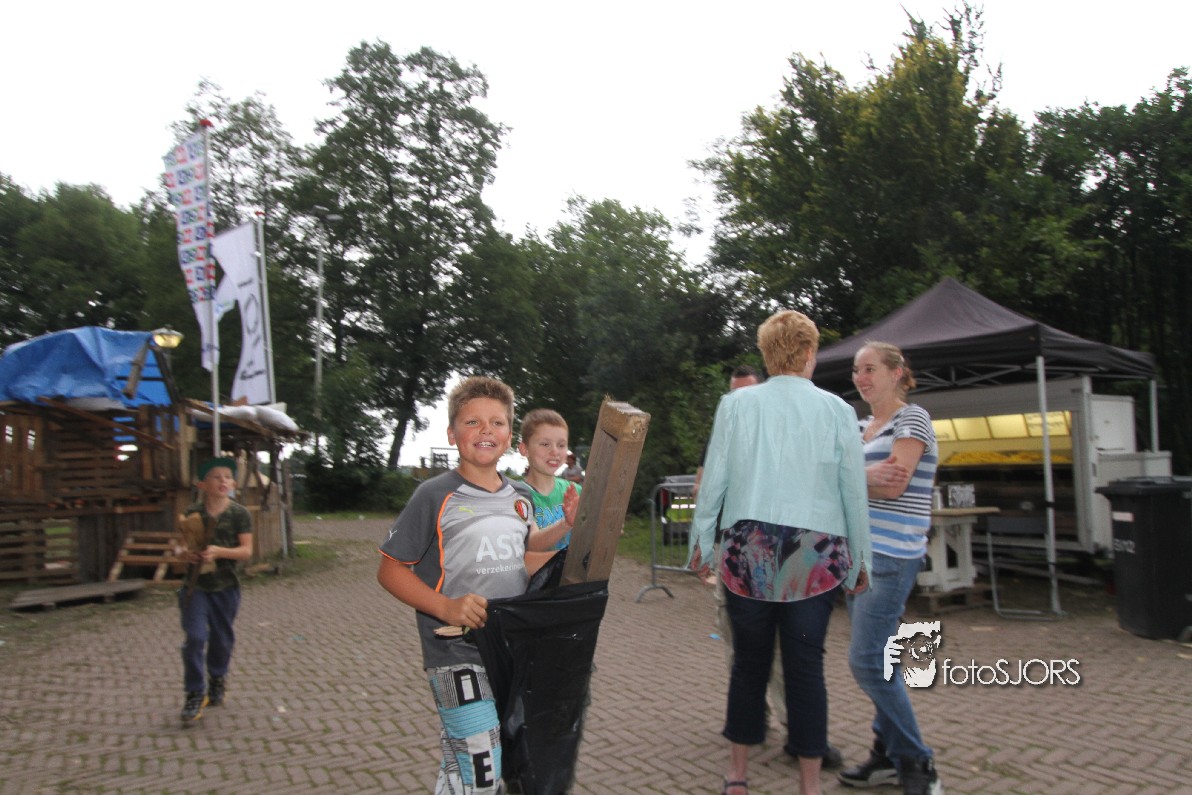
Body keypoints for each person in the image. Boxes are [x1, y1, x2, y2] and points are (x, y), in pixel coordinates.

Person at [689, 310, 871, 795]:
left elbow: (715, 479)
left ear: (766, 354)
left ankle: (737, 775)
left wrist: (701, 542)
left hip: (749, 551)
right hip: (815, 555)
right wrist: (861, 559)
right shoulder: (838, 410)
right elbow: (853, 491)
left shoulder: (736, 405)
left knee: (748, 665)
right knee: (805, 670)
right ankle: (810, 785)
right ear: (810, 353)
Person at [376, 376, 578, 793]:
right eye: (472, 422)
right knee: (483, 768)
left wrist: (569, 531)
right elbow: (390, 569)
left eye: (496, 422)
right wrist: (445, 607)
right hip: (455, 651)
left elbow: (522, 555)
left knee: (464, 764)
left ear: (509, 435)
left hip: (508, 650)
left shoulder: (520, 495)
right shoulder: (434, 495)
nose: (486, 430)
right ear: (452, 434)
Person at [697, 365, 845, 771]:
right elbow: (704, 484)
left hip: (792, 553)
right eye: (735, 392)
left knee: (792, 655)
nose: (741, 399)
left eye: (747, 391)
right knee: (743, 648)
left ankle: (797, 733)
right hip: (738, 554)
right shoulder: (729, 425)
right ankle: (750, 723)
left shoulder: (791, 426)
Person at [838, 342, 943, 795]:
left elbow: (894, 486)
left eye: (870, 369)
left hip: (891, 555)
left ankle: (918, 762)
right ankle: (885, 755)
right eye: (856, 370)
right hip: (857, 556)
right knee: (881, 659)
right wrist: (859, 479)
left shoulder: (912, 419)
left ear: (897, 373)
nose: (861, 378)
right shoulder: (859, 427)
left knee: (865, 661)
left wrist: (845, 480)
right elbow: (837, 482)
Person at [177, 456, 254, 725]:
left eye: (227, 477)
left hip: (226, 587)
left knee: (221, 639)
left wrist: (220, 552)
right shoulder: (192, 513)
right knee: (195, 638)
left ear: (233, 484)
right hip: (195, 587)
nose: (223, 481)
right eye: (216, 476)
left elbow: (246, 551)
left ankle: (217, 678)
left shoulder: (239, 514)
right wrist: (183, 554)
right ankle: (194, 694)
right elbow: (179, 546)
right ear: (202, 484)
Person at [518, 408, 581, 550]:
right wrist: (566, 523)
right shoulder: (516, 496)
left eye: (561, 445)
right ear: (524, 449)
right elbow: (529, 544)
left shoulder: (575, 491)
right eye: (545, 444)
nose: (555, 451)